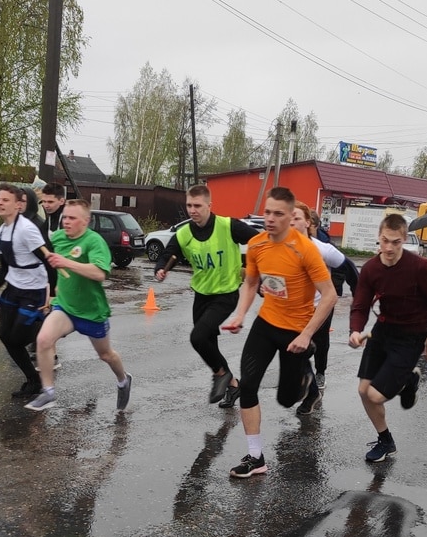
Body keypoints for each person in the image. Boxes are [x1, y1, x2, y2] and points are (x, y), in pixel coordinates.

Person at [221, 187, 336, 478]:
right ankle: (255, 457)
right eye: (267, 212)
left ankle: (305, 378)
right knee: (248, 384)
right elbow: (250, 283)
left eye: (278, 214)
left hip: (295, 331)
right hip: (266, 323)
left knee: (286, 399)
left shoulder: (306, 249)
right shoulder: (258, 244)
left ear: (290, 217)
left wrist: (307, 334)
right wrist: (240, 315)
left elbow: (330, 295)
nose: (270, 219)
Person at [349, 212, 427, 462]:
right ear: (379, 237)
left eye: (396, 242)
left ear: (404, 239)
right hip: (383, 331)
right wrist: (355, 329)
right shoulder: (372, 268)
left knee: (375, 395)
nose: (389, 247)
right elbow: (360, 303)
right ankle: (386, 441)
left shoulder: (419, 268)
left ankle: (407, 378)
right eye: (385, 240)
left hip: (411, 335)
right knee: (364, 390)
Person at [153, 184, 261, 407]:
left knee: (197, 337)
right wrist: (161, 268)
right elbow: (169, 253)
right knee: (208, 345)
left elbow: (260, 241)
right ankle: (233, 386)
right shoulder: (184, 234)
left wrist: (260, 273)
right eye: (189, 205)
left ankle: (221, 374)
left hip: (226, 294)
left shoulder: (228, 226)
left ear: (209, 206)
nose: (193, 210)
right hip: (201, 295)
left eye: (197, 206)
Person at [26, 199, 132, 412]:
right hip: (65, 307)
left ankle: (123, 380)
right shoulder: (57, 238)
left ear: (86, 221)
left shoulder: (94, 242)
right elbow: (44, 258)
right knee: (44, 339)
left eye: (72, 218)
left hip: (92, 311)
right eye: (65, 217)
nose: (66, 222)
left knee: (106, 355)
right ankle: (48, 392)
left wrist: (67, 263)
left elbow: (100, 274)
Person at [0, 183, 56, 399]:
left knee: (18, 337)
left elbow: (48, 262)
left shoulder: (27, 230)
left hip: (34, 291)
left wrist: (51, 295)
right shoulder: (2, 231)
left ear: (19, 205)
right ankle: (33, 380)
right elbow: (7, 266)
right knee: (5, 336)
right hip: (13, 289)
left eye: (5, 200)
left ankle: (48, 326)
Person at [291, 202, 358, 414]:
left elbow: (349, 268)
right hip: (296, 309)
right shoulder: (282, 246)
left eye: (297, 218)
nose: (291, 222)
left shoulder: (322, 249)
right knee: (294, 347)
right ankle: (309, 386)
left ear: (308, 223)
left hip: (321, 305)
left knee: (319, 342)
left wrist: (359, 296)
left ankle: (319, 372)